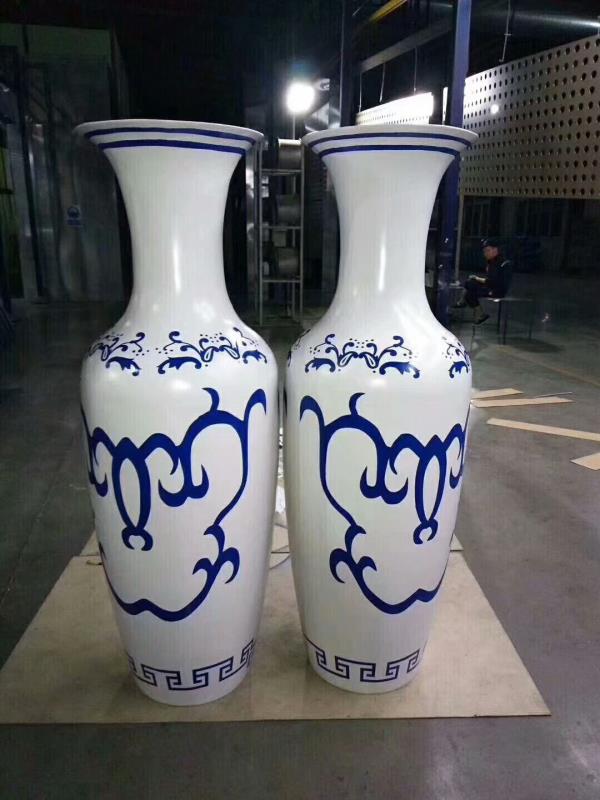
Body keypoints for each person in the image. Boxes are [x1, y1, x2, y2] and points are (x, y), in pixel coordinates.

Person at [454, 238, 513, 324]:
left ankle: (479, 313)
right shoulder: (492, 261)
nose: (485, 253)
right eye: (484, 251)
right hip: (491, 286)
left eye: (488, 250)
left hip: (497, 290)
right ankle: (465, 303)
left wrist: (477, 278)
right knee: (470, 282)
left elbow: (493, 281)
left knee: (470, 293)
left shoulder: (501, 263)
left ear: (495, 250)